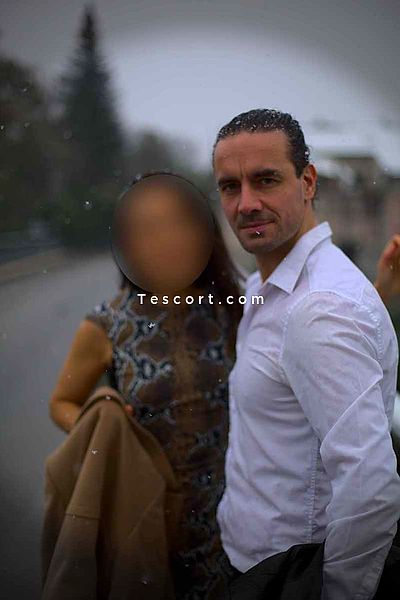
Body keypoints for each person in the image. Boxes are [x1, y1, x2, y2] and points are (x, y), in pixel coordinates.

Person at [49, 169, 399, 597]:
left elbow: (304, 325)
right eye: (147, 229)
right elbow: (62, 402)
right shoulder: (107, 323)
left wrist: (377, 292)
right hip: (146, 515)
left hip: (229, 523)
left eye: (177, 225)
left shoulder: (230, 303)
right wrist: (104, 416)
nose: (165, 240)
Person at [212, 108, 400, 599]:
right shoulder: (269, 286)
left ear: (308, 182)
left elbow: (371, 492)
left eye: (266, 180)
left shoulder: (319, 309)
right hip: (253, 563)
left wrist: (333, 592)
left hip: (286, 577)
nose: (246, 203)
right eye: (230, 186)